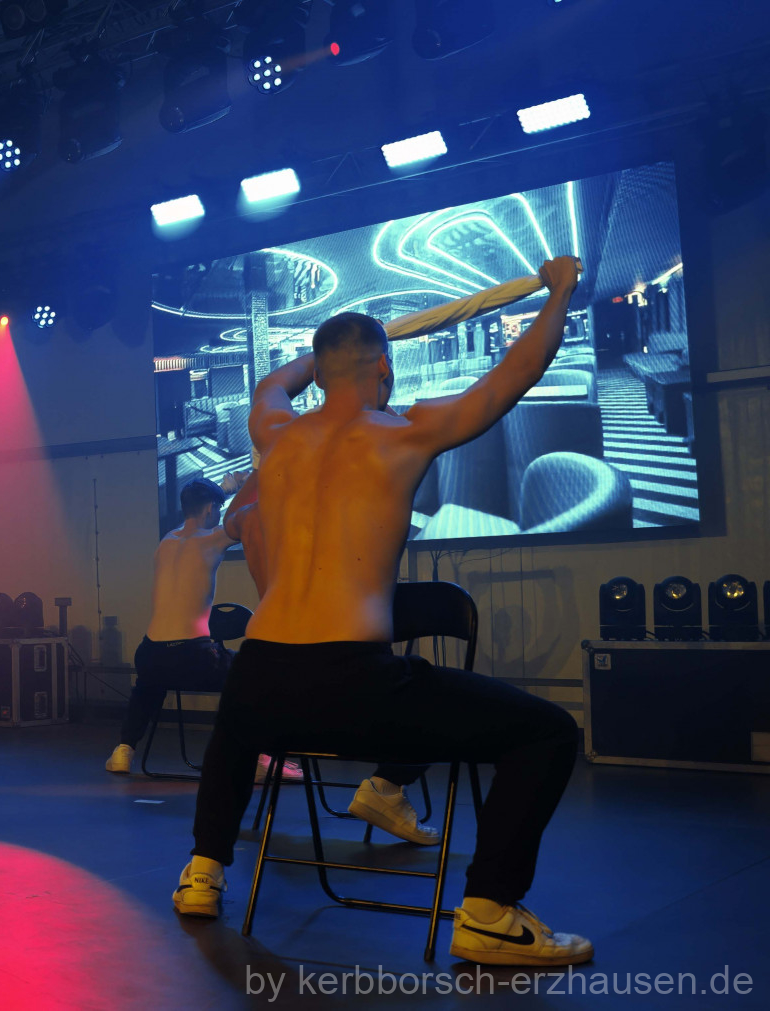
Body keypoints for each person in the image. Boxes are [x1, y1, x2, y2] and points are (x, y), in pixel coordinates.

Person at [175, 257, 590, 967]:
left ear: (320, 373)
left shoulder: (276, 433)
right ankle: (489, 913)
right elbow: (513, 376)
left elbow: (270, 385)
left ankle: (202, 872)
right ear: (385, 370)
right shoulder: (404, 433)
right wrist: (559, 291)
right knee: (549, 733)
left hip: (260, 678)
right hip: (353, 687)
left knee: (237, 722)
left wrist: (317, 361)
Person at [223, 473, 436, 845]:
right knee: (436, 700)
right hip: (353, 701)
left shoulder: (254, 518)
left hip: (279, 706)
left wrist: (261, 470)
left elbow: (230, 519)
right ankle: (387, 785)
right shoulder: (336, 511)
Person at [104, 474, 245, 775]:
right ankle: (258, 759)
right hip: (193, 658)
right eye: (217, 509)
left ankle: (123, 750)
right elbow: (243, 520)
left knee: (148, 687)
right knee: (250, 673)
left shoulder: (167, 541)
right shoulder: (214, 538)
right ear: (211, 509)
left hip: (150, 655)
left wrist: (222, 489)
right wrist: (242, 484)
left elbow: (199, 516)